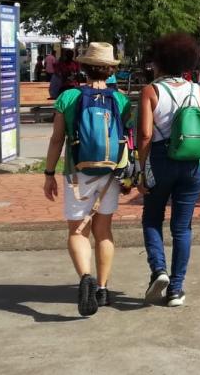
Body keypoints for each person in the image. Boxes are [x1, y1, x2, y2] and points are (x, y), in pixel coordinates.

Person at [41, 42, 129, 317]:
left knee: (78, 230)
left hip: (76, 172)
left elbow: (57, 139)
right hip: (111, 172)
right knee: (104, 231)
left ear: (83, 67)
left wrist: (48, 173)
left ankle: (85, 277)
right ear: (110, 69)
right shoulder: (121, 100)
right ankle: (102, 289)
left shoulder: (68, 97)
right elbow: (127, 138)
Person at [137, 33, 200, 308]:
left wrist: (141, 169)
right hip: (194, 161)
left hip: (160, 158)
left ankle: (159, 270)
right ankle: (176, 289)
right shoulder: (197, 90)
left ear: (161, 61)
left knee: (152, 218)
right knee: (182, 226)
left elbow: (144, 135)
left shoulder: (151, 91)